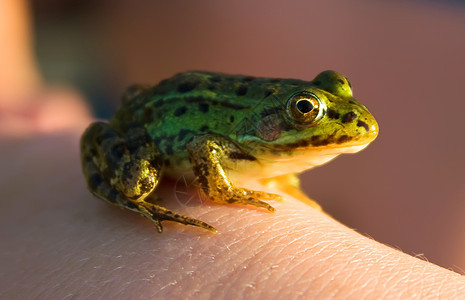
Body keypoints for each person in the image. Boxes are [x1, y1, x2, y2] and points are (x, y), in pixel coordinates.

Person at [1, 1, 464, 298]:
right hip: (147, 124)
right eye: (306, 109)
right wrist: (225, 195)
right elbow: (206, 146)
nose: (346, 119)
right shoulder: (235, 140)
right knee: (138, 181)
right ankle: (121, 196)